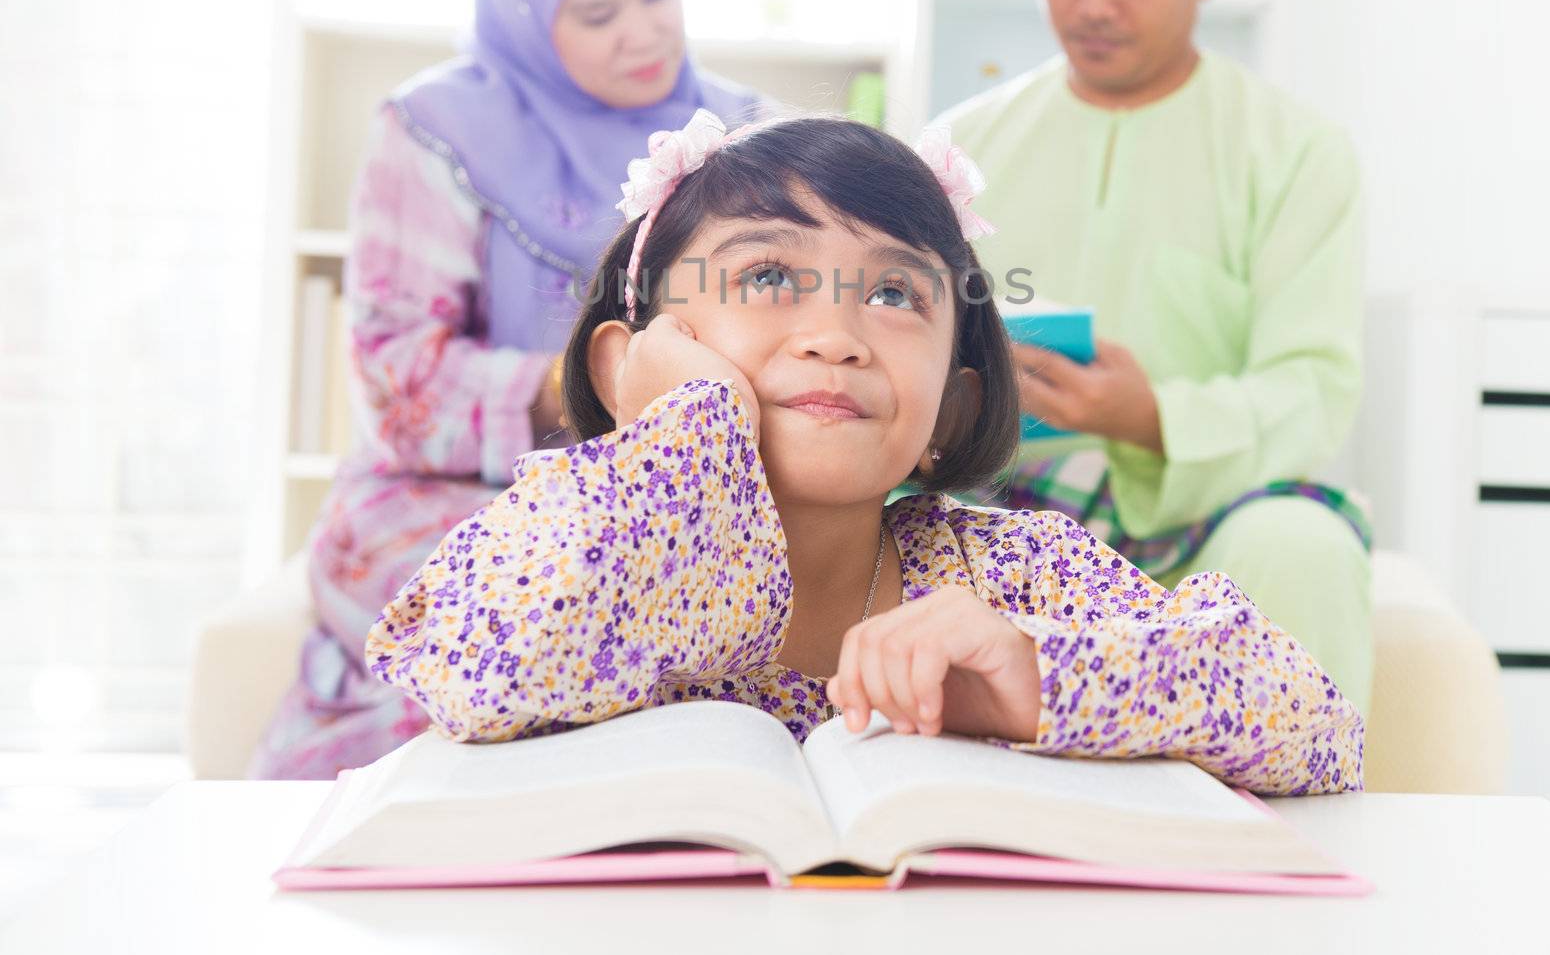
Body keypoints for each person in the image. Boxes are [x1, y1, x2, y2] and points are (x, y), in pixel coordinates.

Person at [367, 113, 1362, 796]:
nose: (836, 337)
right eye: (765, 276)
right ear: (634, 367)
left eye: (893, 296)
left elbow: (1315, 729)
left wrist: (1030, 677)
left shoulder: (1014, 575)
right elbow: (485, 672)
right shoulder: (570, 537)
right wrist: (689, 430)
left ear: (950, 401)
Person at [250, 0, 769, 778]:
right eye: (597, 14)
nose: (643, 33)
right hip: (454, 494)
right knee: (530, 629)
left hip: (672, 492)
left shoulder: (744, 132)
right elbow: (393, 376)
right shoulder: (436, 131)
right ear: (528, 16)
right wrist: (600, 389)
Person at [941, 0, 1373, 712]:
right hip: (1004, 513)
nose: (1095, 2)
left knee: (1304, 547)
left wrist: (1151, 418)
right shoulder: (958, 148)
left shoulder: (1297, 155)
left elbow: (1313, 391)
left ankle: (1296, 846)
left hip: (1205, 513)